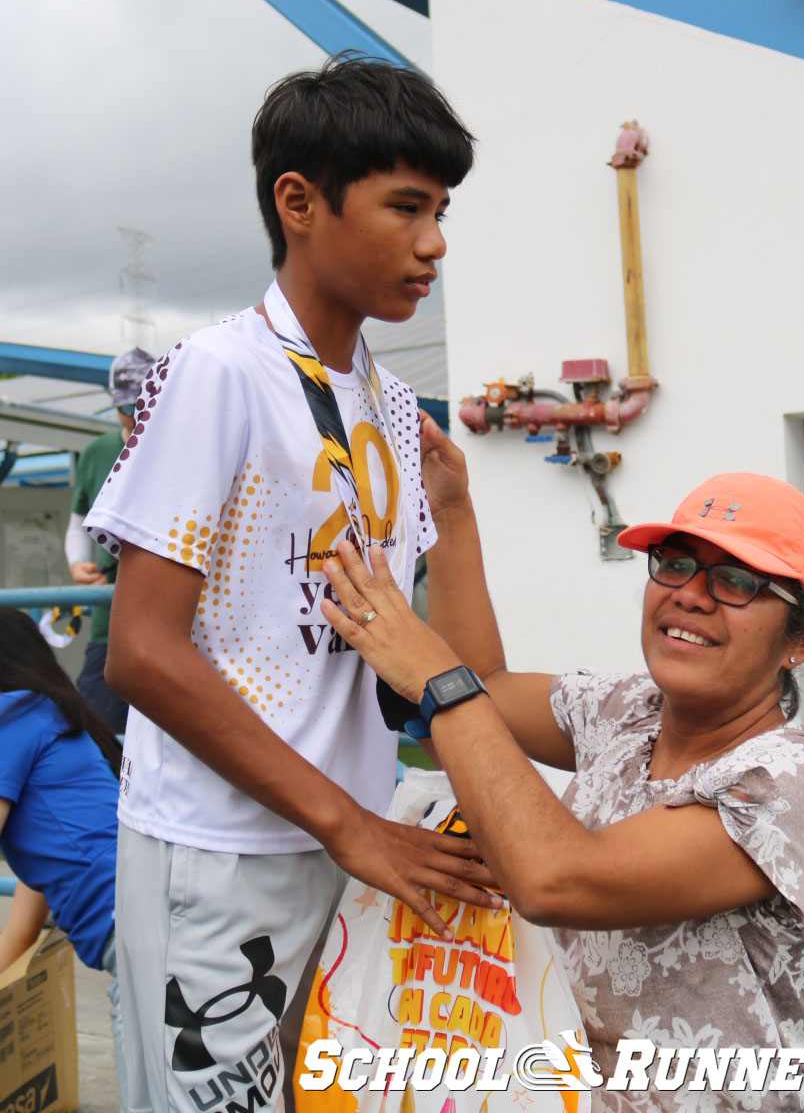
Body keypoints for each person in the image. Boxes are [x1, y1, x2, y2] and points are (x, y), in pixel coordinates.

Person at [84, 55, 497, 1113]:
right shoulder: (222, 371)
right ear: (299, 203)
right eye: (407, 206)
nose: (435, 243)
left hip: (349, 847)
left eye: (442, 210)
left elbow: (453, 680)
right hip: (226, 851)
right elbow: (142, 651)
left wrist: (455, 521)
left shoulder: (397, 410)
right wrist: (348, 824)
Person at [321, 423, 804, 1112]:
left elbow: (556, 879)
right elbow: (483, 681)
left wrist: (435, 676)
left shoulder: (795, 781)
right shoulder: (625, 712)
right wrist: (450, 509)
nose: (691, 594)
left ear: (802, 639)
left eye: (736, 580)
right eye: (673, 562)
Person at [0, 608, 127, 1111]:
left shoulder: (11, 715)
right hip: (144, 918)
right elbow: (22, 932)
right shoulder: (53, 720)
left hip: (136, 927)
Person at [65, 346, 155, 733]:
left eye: (142, 404)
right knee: (99, 731)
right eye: (126, 406)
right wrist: (77, 564)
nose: (135, 416)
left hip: (173, 614)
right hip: (109, 617)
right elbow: (77, 523)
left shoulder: (185, 445)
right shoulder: (97, 453)